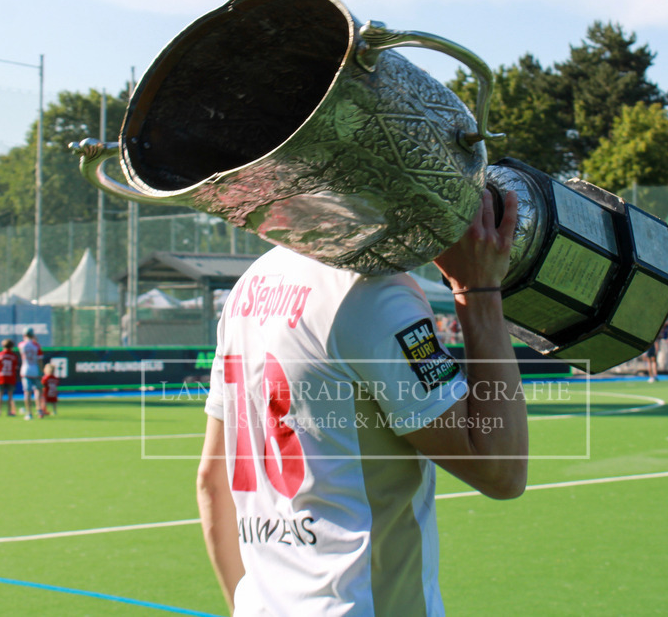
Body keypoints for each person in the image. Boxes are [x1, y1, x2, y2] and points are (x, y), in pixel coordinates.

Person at [197, 190, 528, 615]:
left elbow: (211, 482)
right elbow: (501, 471)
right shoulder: (371, 289)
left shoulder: (247, 288)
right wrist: (478, 290)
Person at [18, 328, 44, 420]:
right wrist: (41, 371)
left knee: (27, 392)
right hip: (35, 370)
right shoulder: (36, 345)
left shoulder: (21, 345)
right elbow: (40, 360)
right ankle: (39, 409)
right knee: (38, 390)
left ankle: (29, 413)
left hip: (25, 370)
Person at [0, 339, 20, 418]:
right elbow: (16, 367)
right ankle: (9, 411)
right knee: (10, 396)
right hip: (11, 377)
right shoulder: (14, 356)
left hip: (0, 377)